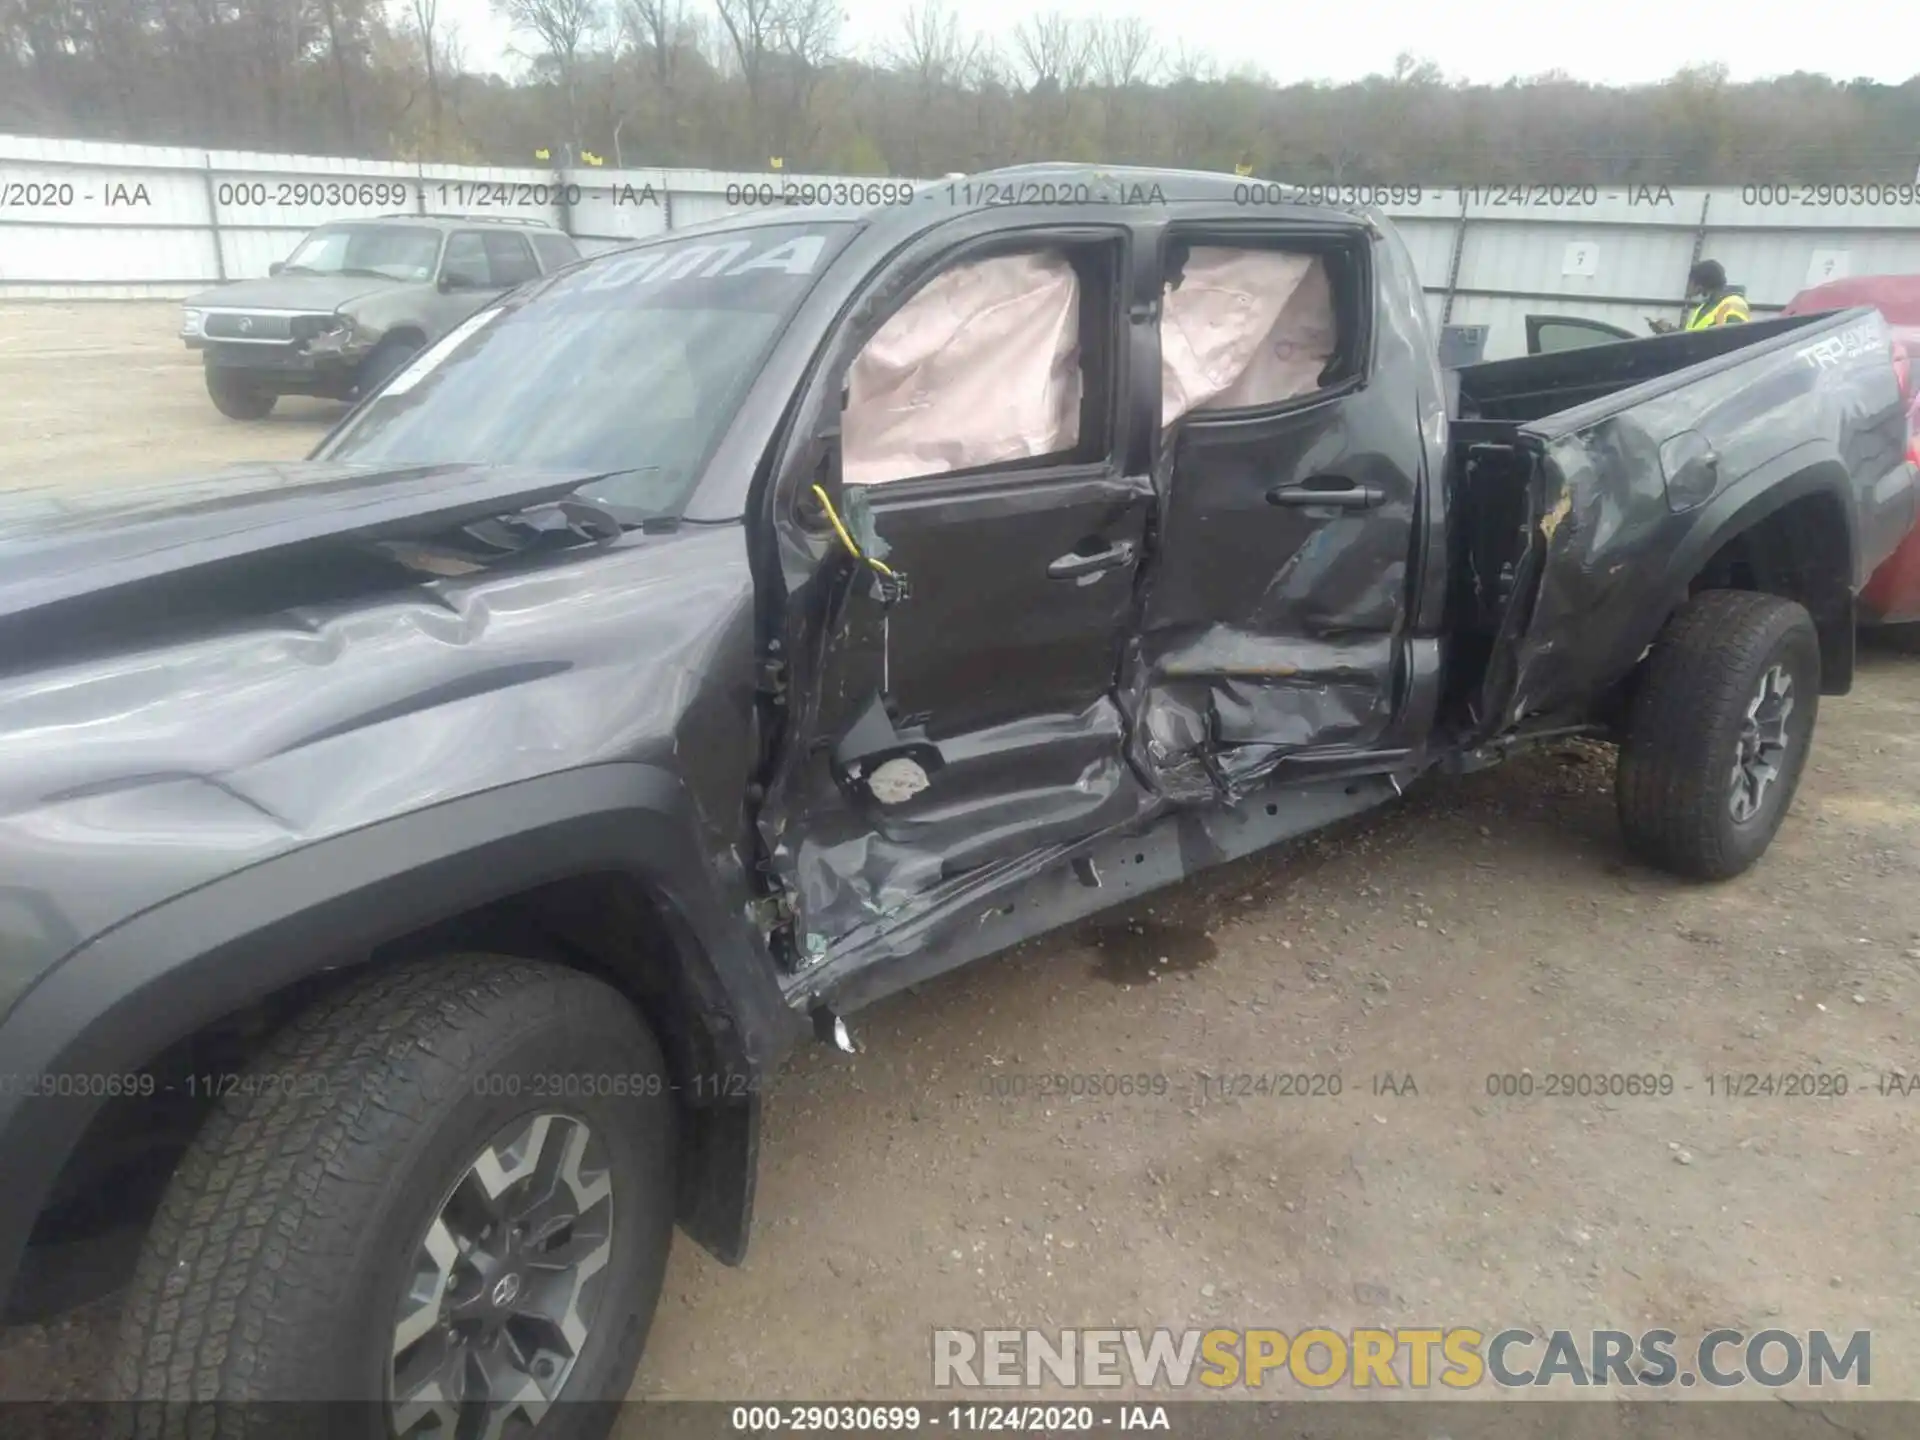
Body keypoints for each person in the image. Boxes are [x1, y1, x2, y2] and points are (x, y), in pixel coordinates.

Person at [1649, 260, 1751, 334]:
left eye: (1691, 281)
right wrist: (1669, 331)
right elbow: (1692, 338)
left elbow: (1730, 340)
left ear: (1701, 284)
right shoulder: (1706, 306)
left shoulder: (1733, 304)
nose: (1688, 286)